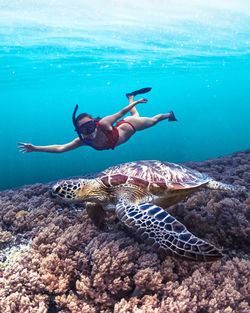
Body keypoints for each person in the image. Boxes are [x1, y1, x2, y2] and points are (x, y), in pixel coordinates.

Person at [18, 88, 177, 153]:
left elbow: (121, 112)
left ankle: (169, 114)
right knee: (135, 115)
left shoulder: (104, 124)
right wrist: (36, 148)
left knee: (153, 120)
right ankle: (130, 96)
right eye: (84, 129)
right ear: (80, 132)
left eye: (91, 125)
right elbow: (61, 148)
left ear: (95, 123)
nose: (90, 131)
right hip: (126, 125)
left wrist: (137, 103)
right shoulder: (83, 141)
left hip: (131, 126)